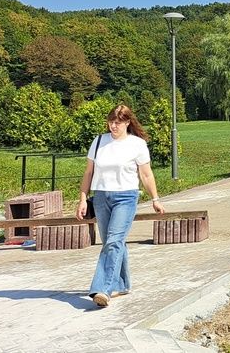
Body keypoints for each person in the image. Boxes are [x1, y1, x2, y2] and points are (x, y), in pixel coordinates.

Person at [76, 104, 164, 309]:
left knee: (114, 242)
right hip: (100, 197)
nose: (113, 126)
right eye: (110, 122)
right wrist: (82, 198)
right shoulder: (99, 141)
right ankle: (122, 284)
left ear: (127, 122)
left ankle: (103, 289)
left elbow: (146, 174)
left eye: (117, 122)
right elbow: (88, 173)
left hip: (126, 197)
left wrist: (155, 198)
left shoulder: (137, 144)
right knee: (113, 242)